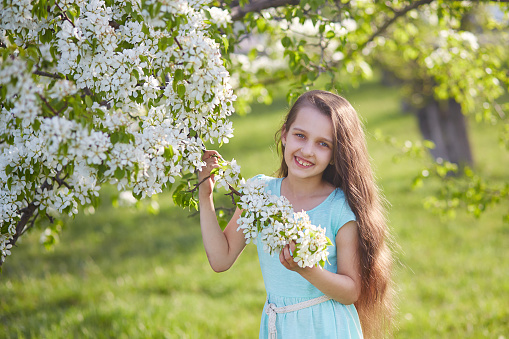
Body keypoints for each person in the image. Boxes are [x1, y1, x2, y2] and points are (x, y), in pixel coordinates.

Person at [198, 90, 394, 339]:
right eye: (300, 136)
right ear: (284, 135)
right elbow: (220, 259)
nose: (308, 150)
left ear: (336, 154)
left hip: (327, 328)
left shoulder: (338, 208)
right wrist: (205, 197)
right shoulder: (260, 192)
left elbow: (351, 291)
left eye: (323, 144)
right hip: (279, 325)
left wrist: (309, 270)